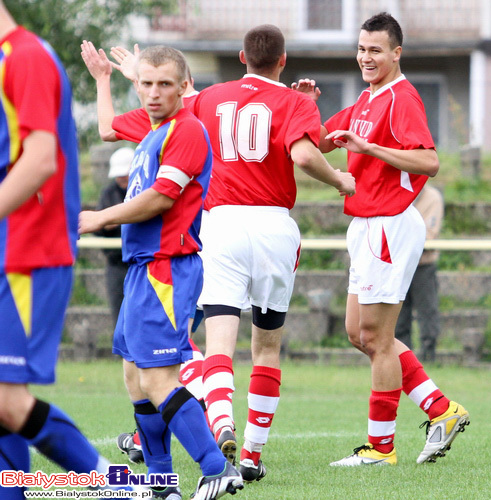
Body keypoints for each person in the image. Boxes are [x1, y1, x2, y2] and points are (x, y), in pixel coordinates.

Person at [109, 25, 355, 483]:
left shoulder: (209, 97)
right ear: (282, 61)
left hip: (219, 224)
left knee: (216, 341)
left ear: (242, 56)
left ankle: (219, 422)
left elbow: (173, 99)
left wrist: (131, 76)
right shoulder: (295, 101)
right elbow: (302, 153)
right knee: (266, 345)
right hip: (273, 226)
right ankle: (252, 456)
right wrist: (340, 180)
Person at [79, 45, 244, 500]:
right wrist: (103, 80)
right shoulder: (156, 128)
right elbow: (109, 127)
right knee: (134, 377)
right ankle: (160, 483)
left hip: (165, 270)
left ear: (184, 87)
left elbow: (162, 197)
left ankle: (217, 468)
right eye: (146, 84)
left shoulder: (187, 130)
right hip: (141, 269)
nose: (153, 93)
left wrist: (99, 217)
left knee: (158, 379)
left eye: (164, 84)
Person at [0, 3, 147, 499]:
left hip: (27, 255)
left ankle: (119, 485)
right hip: (9, 252)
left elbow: (40, 161)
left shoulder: (24, 58)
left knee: (6, 400)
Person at [314, 12, 469, 466]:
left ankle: (381, 449)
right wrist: (304, 104)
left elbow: (429, 162)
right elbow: (322, 140)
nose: (366, 57)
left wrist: (369, 149)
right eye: (362, 49)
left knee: (377, 338)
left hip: (390, 223)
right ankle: (441, 410)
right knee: (357, 334)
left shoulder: (402, 97)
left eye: (375, 50)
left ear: (396, 53)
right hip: (365, 224)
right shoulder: (367, 98)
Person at [395, 183, 444, 362]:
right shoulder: (395, 191)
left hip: (423, 265)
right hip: (399, 265)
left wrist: (399, 240)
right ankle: (402, 360)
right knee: (398, 316)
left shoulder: (432, 197)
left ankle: (429, 355)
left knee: (427, 311)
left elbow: (429, 234)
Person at [94, 146, 134, 327]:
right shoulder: (108, 194)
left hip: (140, 263)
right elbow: (96, 225)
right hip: (115, 263)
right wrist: (107, 223)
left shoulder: (144, 190)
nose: (121, 178)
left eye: (124, 174)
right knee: (119, 313)